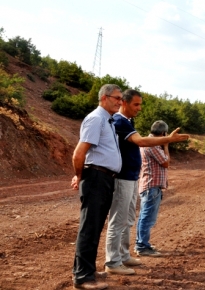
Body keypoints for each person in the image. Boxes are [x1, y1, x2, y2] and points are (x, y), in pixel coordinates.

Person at [104, 89, 189, 275]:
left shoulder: (128, 121)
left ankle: (124, 256)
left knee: (127, 219)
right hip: (123, 177)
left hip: (132, 177)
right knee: (118, 221)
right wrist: (169, 140)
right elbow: (141, 142)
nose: (139, 108)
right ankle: (112, 262)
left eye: (140, 104)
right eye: (136, 104)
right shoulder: (119, 121)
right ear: (124, 103)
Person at [71, 84, 123, 290]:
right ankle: (82, 278)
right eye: (116, 98)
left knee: (95, 227)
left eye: (120, 98)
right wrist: (79, 175)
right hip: (96, 177)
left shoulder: (107, 121)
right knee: (89, 227)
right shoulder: (96, 119)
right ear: (104, 98)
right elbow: (79, 153)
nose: (120, 102)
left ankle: (88, 270)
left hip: (104, 178)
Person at [134, 120, 172, 256]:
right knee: (147, 217)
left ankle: (141, 243)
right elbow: (166, 162)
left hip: (148, 185)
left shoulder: (147, 144)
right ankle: (142, 246)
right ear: (163, 133)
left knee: (145, 216)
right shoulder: (153, 146)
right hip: (152, 185)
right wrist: (166, 146)